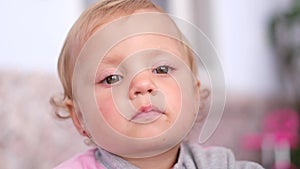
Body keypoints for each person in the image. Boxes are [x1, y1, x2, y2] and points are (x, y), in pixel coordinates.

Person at [52, 0, 265, 168]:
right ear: (79, 117)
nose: (143, 85)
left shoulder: (218, 164)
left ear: (195, 94)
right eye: (112, 78)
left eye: (162, 69)